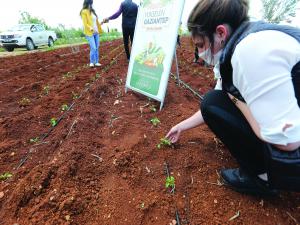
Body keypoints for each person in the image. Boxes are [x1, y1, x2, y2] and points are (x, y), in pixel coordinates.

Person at [166, 0, 300, 195]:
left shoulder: (250, 51)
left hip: (291, 140)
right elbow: (215, 103)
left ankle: (263, 178)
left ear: (220, 33)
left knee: (224, 99)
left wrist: (236, 99)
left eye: (201, 44)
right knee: (214, 100)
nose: (200, 53)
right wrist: (181, 126)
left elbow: (287, 141)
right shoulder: (241, 44)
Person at [80, 0, 103, 67]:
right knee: (93, 47)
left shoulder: (93, 11)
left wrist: (101, 24)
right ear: (87, 3)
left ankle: (96, 62)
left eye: (92, 3)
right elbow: (85, 23)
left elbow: (96, 22)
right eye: (90, 3)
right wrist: (90, 28)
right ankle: (92, 62)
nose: (91, 5)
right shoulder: (84, 12)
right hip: (89, 33)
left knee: (97, 47)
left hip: (96, 32)